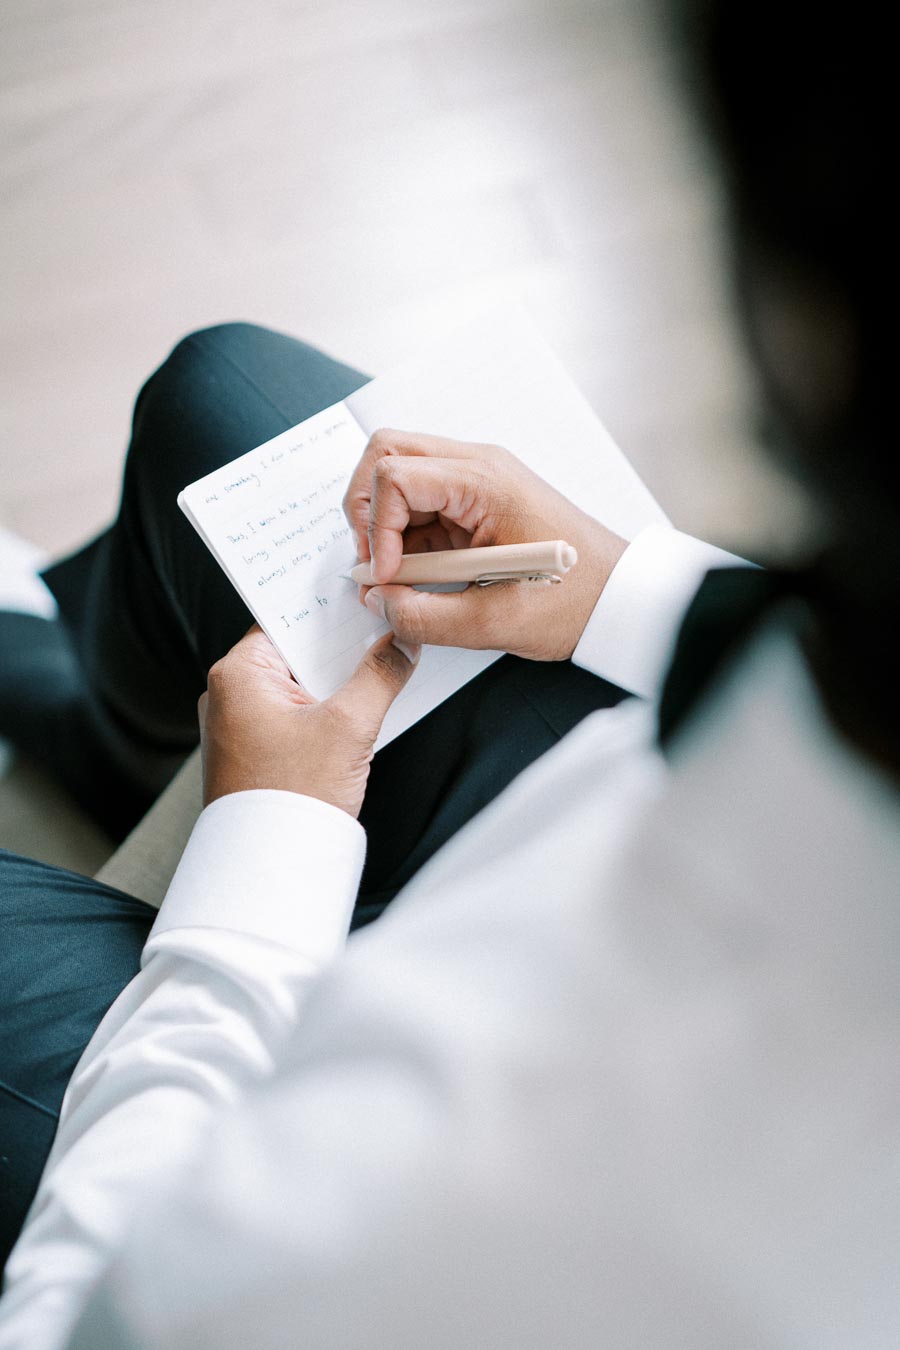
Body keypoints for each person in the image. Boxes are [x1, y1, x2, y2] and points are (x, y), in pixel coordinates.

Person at [0, 1, 894, 1346]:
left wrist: (266, 837)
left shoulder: (541, 1198)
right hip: (652, 812)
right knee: (226, 389)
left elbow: (84, 1319)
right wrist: (622, 585)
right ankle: (81, 732)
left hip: (327, 1139)